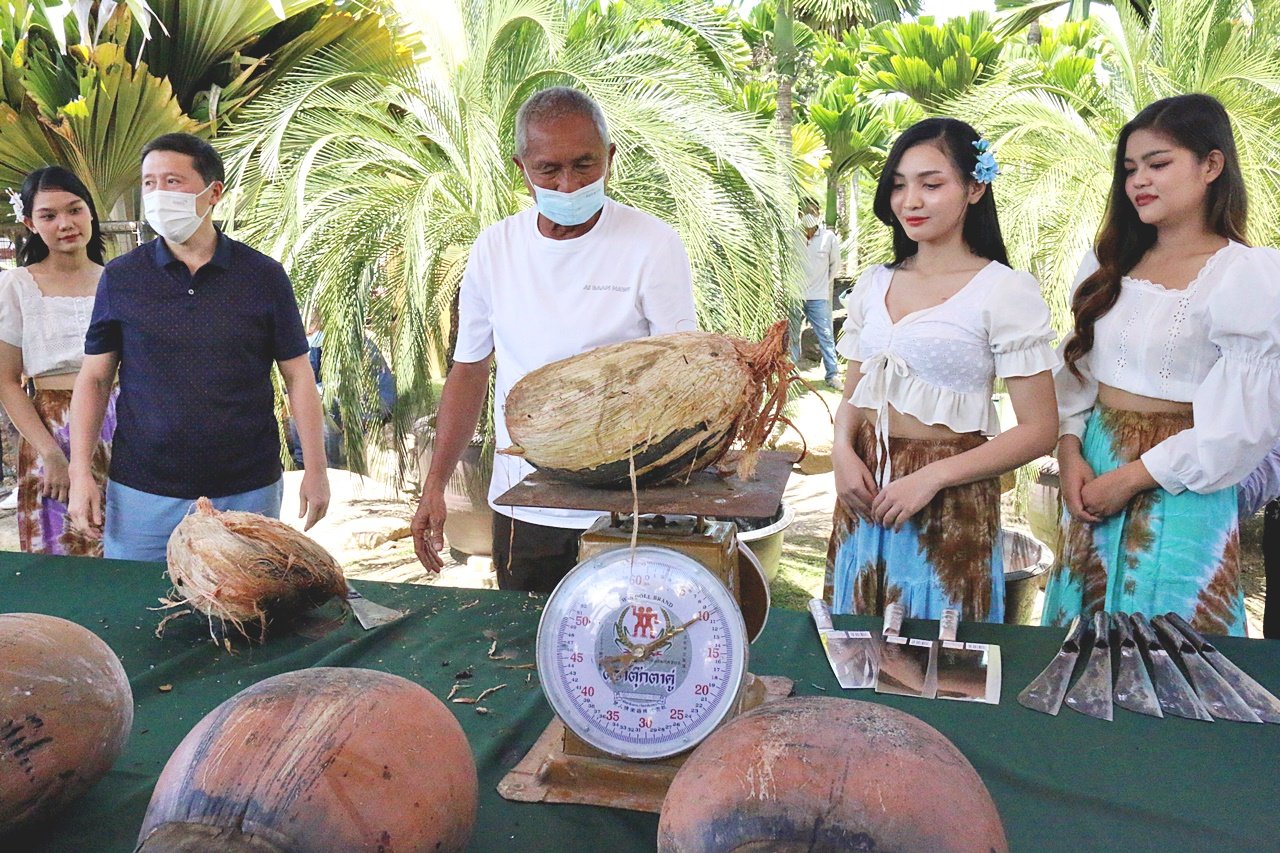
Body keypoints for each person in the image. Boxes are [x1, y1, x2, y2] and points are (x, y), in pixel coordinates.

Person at [410, 86, 697, 592]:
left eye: (585, 166)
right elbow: (470, 369)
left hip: (623, 505)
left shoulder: (652, 244)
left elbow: (678, 374)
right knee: (527, 651)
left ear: (610, 157)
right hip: (526, 501)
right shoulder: (495, 248)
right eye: (549, 170)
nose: (568, 185)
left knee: (629, 650)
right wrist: (435, 483)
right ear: (521, 168)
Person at [1044, 94, 1280, 637]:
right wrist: (1071, 449)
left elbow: (1240, 428)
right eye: (1129, 169)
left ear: (1211, 165)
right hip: (1095, 464)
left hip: (1184, 480)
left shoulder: (1246, 276)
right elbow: (1078, 376)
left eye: (1158, 163)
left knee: (1171, 644)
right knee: (1084, 644)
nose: (1138, 181)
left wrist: (1132, 478)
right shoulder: (1107, 265)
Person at [827, 118, 1059, 622]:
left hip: (949, 504)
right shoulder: (873, 283)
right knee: (855, 649)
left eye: (931, 185)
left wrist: (931, 478)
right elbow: (855, 392)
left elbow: (1041, 430)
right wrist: (842, 452)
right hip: (865, 492)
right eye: (899, 185)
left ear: (975, 188)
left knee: (939, 660)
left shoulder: (1004, 291)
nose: (910, 200)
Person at [67, 133, 330, 561]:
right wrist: (81, 472)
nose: (157, 194)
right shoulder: (121, 277)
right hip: (143, 489)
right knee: (137, 608)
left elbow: (298, 374)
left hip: (247, 486)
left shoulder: (262, 276)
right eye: (149, 183)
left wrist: (315, 470)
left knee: (246, 608)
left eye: (173, 181)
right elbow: (95, 378)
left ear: (214, 192)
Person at [0, 167, 115, 555]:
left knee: (132, 550)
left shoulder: (119, 280)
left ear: (90, 213)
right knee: (66, 552)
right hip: (52, 428)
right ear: (30, 223)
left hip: (125, 426)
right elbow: (6, 381)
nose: (65, 224)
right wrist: (51, 454)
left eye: (74, 209)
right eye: (49, 216)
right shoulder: (16, 287)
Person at [791, 200, 842, 389]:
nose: (808, 214)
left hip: (818, 296)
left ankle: (832, 375)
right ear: (798, 214)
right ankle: (791, 375)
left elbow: (834, 266)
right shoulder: (792, 236)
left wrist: (822, 284)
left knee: (826, 335)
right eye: (804, 211)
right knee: (792, 336)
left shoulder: (828, 237)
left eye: (812, 210)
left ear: (818, 212)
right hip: (795, 295)